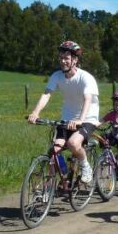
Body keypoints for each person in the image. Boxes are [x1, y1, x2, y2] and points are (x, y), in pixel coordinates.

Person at [27, 40, 101, 183]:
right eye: (60, 58)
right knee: (54, 151)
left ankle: (85, 166)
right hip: (67, 118)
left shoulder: (85, 77)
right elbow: (47, 94)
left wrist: (80, 120)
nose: (62, 61)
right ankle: (57, 182)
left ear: (75, 60)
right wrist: (35, 113)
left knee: (73, 143)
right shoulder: (57, 76)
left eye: (66, 58)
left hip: (87, 117)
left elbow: (87, 99)